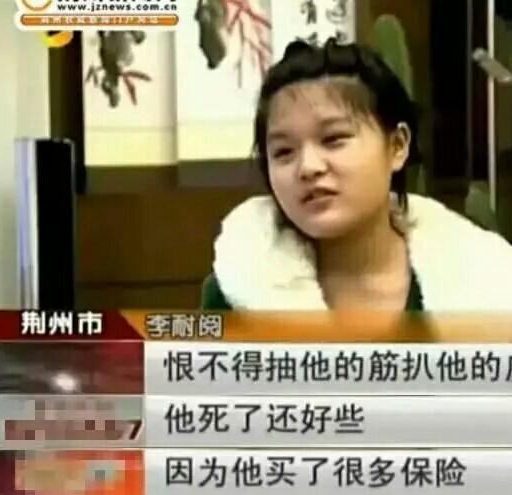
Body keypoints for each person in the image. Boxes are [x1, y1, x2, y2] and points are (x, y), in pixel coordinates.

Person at [202, 38, 512, 311]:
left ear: (397, 145)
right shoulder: (236, 291)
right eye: (283, 152)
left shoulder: (487, 282)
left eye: (333, 139)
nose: (308, 167)